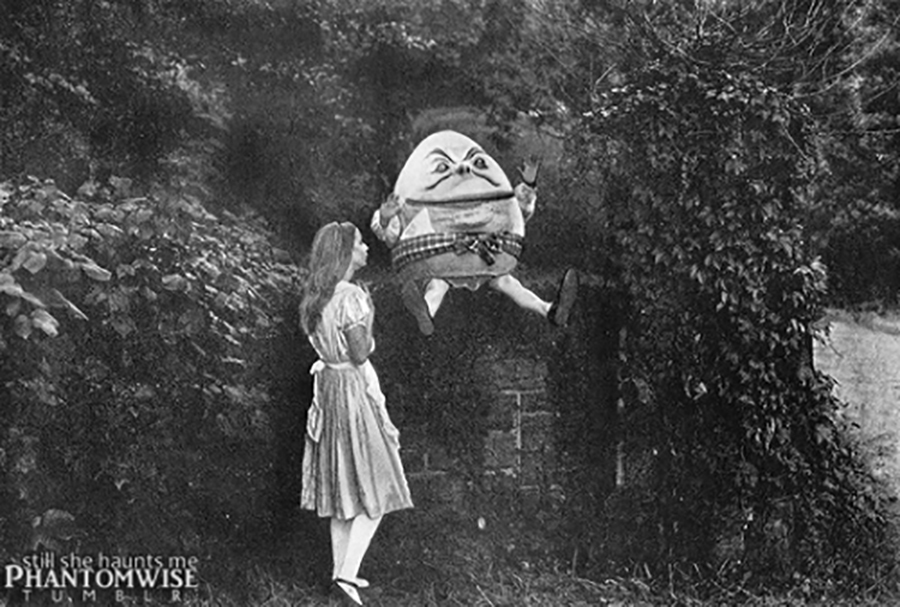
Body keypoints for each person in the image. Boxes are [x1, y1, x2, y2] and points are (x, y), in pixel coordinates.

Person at [299, 222, 413, 606]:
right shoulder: (351, 296)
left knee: (344, 489)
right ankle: (346, 577)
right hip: (351, 391)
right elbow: (361, 353)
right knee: (378, 484)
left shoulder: (318, 296)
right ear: (346, 253)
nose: (367, 248)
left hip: (331, 390)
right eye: (361, 244)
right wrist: (370, 314)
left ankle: (339, 576)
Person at [370, 130, 578, 336]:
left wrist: (529, 184)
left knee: (503, 282)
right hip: (447, 262)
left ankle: (550, 310)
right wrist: (386, 218)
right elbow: (392, 237)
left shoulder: (486, 200)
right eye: (443, 167)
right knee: (441, 285)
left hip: (484, 258)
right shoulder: (424, 206)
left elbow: (516, 213)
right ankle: (425, 313)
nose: (462, 170)